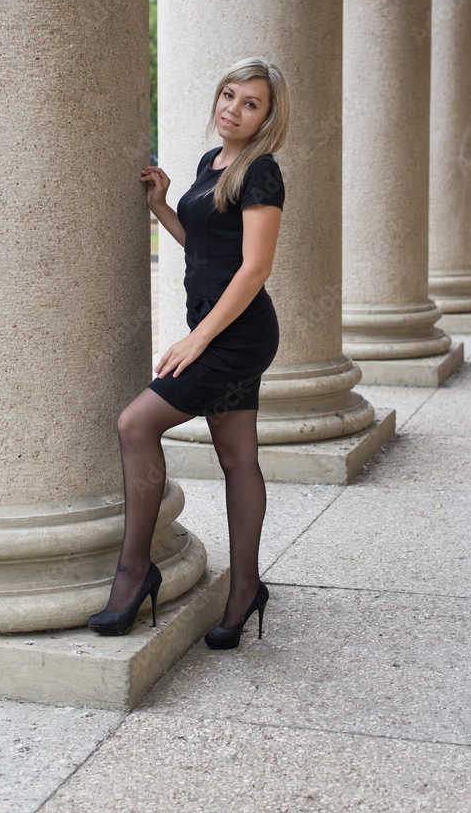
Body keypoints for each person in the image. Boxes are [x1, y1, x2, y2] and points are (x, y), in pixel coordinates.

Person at [87, 57, 289, 650]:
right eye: (229, 95)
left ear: (268, 117)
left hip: (237, 336)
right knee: (236, 455)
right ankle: (246, 588)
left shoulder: (263, 172)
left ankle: (133, 572)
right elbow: (206, 247)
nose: (234, 108)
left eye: (251, 103)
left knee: (134, 423)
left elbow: (254, 268)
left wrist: (197, 339)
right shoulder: (213, 163)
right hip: (217, 328)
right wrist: (162, 208)